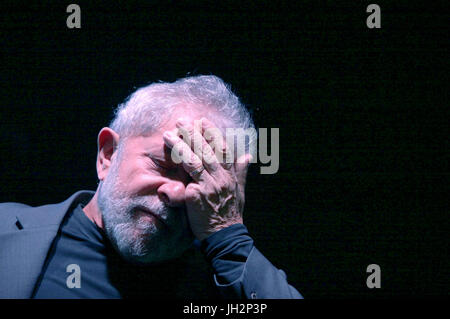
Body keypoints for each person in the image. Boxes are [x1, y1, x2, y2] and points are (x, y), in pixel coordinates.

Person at [0, 75, 302, 299]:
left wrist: (228, 235)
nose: (175, 193)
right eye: (163, 165)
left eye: (201, 181)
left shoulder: (216, 287)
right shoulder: (5, 231)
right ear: (107, 155)